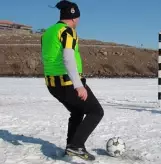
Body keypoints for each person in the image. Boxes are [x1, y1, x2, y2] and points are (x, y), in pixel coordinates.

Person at [40, 0, 104, 161]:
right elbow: (68, 58)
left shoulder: (47, 33)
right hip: (68, 83)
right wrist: (78, 85)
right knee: (96, 112)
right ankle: (76, 146)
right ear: (74, 17)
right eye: (79, 18)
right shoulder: (67, 31)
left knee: (77, 111)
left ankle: (71, 147)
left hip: (52, 85)